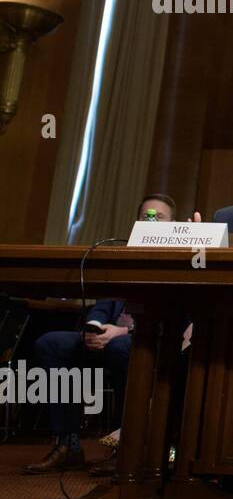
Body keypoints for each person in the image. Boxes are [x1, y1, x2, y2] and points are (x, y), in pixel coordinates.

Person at [22, 194, 178, 475]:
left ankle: (125, 448)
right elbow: (103, 304)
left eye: (159, 217)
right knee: (51, 344)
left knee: (121, 348)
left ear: (174, 223)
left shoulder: (179, 261)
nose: (151, 221)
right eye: (146, 216)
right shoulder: (124, 257)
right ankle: (67, 442)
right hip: (107, 338)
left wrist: (122, 331)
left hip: (150, 342)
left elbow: (176, 317)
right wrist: (93, 329)